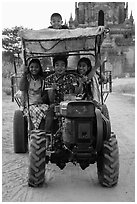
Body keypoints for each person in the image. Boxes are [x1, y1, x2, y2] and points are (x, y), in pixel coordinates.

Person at [19, 58, 49, 130]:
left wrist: (43, 99)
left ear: (39, 68)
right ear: (28, 68)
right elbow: (22, 88)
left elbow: (45, 93)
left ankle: (44, 131)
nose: (34, 69)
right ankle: (36, 131)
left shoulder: (42, 80)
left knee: (48, 111)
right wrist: (24, 74)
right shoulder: (27, 78)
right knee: (36, 111)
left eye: (36, 67)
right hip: (30, 104)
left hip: (40, 103)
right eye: (32, 67)